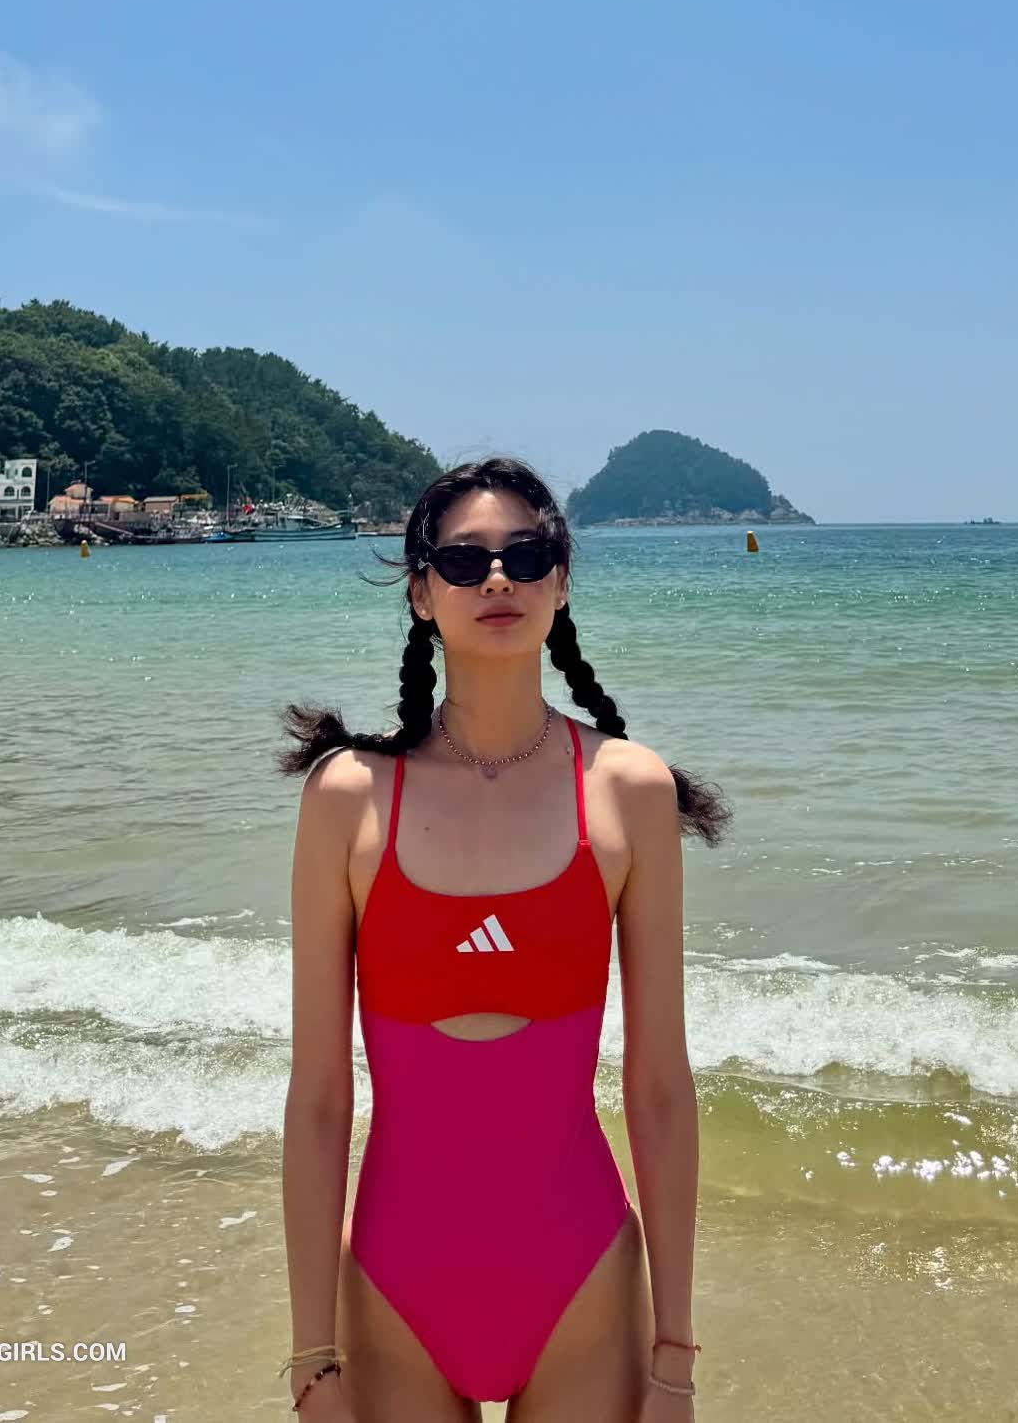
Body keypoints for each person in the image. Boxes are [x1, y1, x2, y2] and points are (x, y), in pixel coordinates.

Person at [277, 456, 731, 1421]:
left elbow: (659, 1087)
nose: (496, 579)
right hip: (396, 1287)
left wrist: (674, 1360)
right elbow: (317, 1097)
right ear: (420, 592)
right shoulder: (349, 797)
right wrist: (313, 1360)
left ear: (559, 585)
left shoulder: (629, 790)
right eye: (463, 560)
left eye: (525, 557)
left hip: (582, 1282)